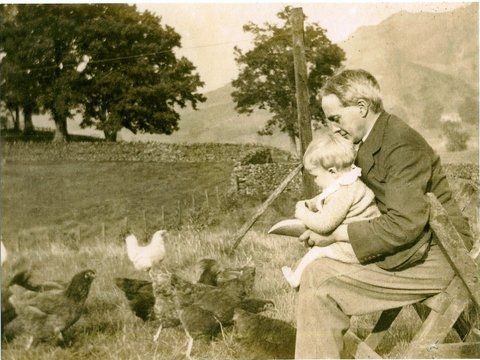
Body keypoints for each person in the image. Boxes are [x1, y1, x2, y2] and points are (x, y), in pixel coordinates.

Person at [295, 69, 473, 358]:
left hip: (440, 258)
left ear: (362, 107)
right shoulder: (373, 141)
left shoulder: (401, 144)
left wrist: (334, 235)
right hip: (414, 250)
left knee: (319, 285)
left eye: (336, 118)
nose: (332, 128)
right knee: (316, 274)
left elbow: (404, 225)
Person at [281, 129, 381, 288]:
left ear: (332, 171)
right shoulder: (350, 182)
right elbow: (326, 198)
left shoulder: (344, 191)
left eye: (316, 176)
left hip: (355, 248)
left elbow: (324, 224)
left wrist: (302, 212)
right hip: (363, 243)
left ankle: (295, 279)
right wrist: (311, 203)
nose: (315, 181)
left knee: (317, 252)